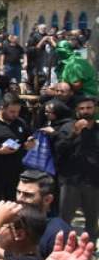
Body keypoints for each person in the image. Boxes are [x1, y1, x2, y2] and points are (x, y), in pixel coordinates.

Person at [55, 95, 98, 236]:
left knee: (92, 220)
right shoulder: (68, 127)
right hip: (70, 182)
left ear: (95, 109)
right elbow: (58, 150)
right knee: (64, 221)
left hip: (93, 182)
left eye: (89, 108)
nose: (86, 111)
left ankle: (90, 249)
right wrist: (74, 133)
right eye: (82, 108)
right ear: (77, 110)